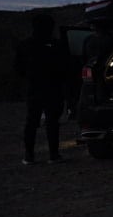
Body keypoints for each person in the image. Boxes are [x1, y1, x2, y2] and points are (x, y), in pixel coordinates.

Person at [13, 13, 74, 164]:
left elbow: (18, 68)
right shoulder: (57, 45)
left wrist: (28, 77)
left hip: (34, 88)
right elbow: (66, 66)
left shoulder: (25, 45)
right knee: (52, 122)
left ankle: (29, 156)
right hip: (53, 88)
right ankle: (53, 155)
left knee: (32, 122)